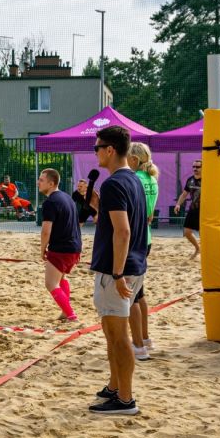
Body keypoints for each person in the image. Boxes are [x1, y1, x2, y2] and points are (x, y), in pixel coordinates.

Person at [87, 125, 148, 416]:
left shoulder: (114, 183)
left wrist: (117, 273)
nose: (95, 153)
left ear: (110, 150)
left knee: (118, 336)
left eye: (97, 148)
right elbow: (125, 224)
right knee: (112, 333)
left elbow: (123, 232)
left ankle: (125, 399)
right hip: (134, 264)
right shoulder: (133, 179)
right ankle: (115, 387)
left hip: (118, 271)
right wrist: (98, 205)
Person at [127, 142, 159, 361]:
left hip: (134, 238)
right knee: (140, 293)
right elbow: (150, 215)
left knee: (131, 297)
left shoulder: (134, 179)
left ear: (135, 160)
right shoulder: (152, 179)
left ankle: (138, 346)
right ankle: (145, 338)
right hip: (146, 238)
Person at [37, 168, 81, 323]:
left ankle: (71, 315)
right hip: (73, 247)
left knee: (51, 283)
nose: (38, 182)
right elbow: (76, 224)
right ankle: (65, 312)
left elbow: (45, 231)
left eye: (41, 180)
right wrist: (78, 248)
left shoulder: (50, 202)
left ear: (51, 183)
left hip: (61, 248)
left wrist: (42, 249)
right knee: (61, 278)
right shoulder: (67, 198)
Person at [174, 160, 202, 258]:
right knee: (187, 232)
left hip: (204, 210)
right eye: (193, 167)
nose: (195, 169)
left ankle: (206, 253)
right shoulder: (190, 180)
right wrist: (178, 204)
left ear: (203, 168)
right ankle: (198, 248)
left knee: (204, 234)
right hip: (193, 209)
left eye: (198, 167)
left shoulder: (208, 179)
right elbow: (184, 194)